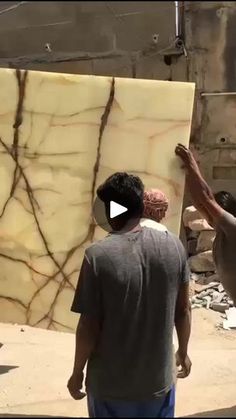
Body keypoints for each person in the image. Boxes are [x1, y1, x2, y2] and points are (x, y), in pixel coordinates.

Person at [67, 172, 191, 418]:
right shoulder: (174, 246)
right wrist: (183, 353)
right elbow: (183, 309)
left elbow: (89, 325)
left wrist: (77, 371)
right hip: (159, 383)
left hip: (110, 387)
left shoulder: (97, 256)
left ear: (112, 211)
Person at [175, 143, 236, 304]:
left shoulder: (233, 227)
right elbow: (200, 201)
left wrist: (193, 164)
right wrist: (187, 172)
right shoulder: (220, 229)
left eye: (213, 211)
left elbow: (206, 199)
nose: (207, 214)